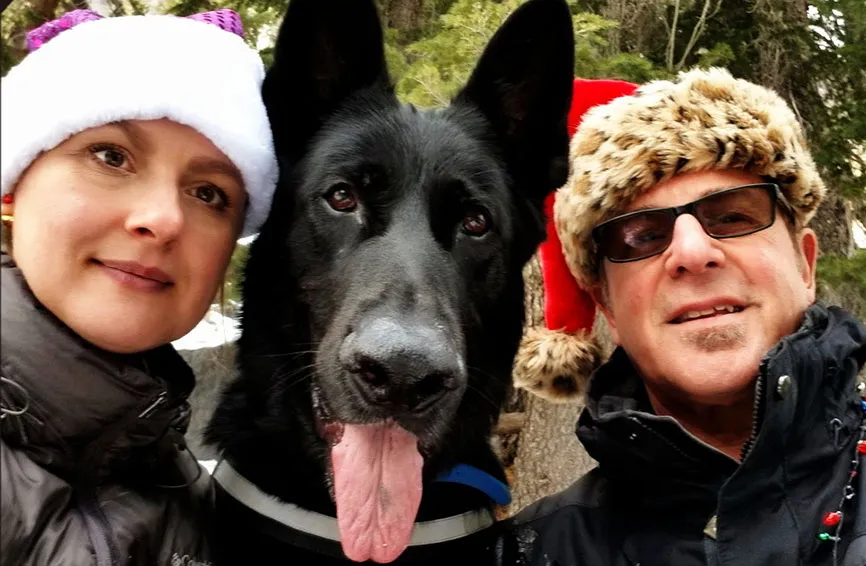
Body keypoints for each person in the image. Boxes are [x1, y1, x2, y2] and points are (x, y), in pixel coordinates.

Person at [502, 68, 866, 565]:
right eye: (641, 236)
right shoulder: (531, 554)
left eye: (733, 215)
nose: (692, 252)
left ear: (805, 262)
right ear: (605, 303)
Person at [0, 9, 277, 565]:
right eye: (111, 156)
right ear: (12, 187)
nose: (164, 218)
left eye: (208, 193)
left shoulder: (192, 499)